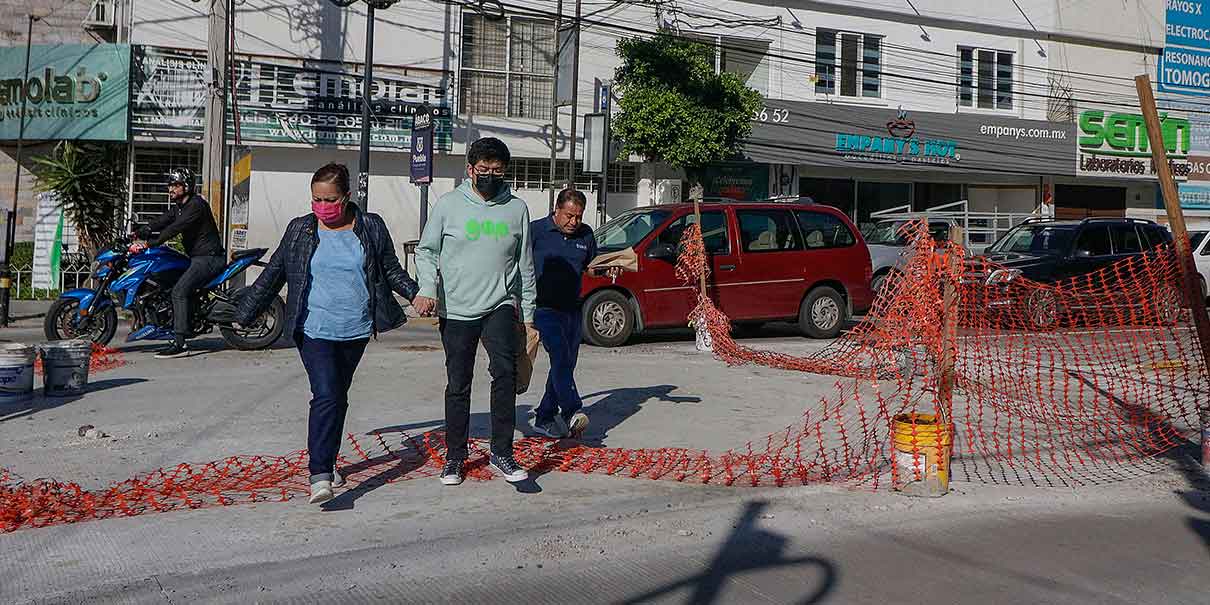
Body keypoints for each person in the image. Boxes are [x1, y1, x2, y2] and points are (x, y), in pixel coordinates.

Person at [235, 163, 419, 505]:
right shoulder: (300, 229)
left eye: (330, 199)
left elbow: (389, 268)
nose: (322, 206)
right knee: (326, 395)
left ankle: (329, 460)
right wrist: (245, 312)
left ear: (346, 197)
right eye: (316, 199)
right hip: (313, 327)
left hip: (356, 329)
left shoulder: (371, 226)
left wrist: (414, 292)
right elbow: (276, 272)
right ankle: (320, 474)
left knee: (338, 397)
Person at [413, 137, 537, 486]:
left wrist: (528, 314)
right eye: (483, 170)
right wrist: (426, 288)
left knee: (505, 374)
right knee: (458, 383)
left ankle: (502, 452)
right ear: (470, 170)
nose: (490, 176)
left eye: (497, 171)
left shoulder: (516, 209)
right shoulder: (449, 206)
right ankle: (455, 457)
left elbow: (525, 263)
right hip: (456, 308)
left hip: (499, 304)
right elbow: (426, 251)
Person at [135, 168, 225, 359]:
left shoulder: (196, 205)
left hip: (209, 258)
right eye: (170, 185)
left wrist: (149, 243)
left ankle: (180, 342)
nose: (171, 189)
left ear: (187, 186)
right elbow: (162, 221)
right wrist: (141, 231)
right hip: (196, 258)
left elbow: (175, 228)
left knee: (179, 291)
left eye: (175, 185)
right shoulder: (178, 207)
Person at [529, 188, 596, 439]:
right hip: (543, 308)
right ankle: (571, 411)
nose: (574, 222)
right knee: (559, 354)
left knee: (566, 363)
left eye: (578, 216)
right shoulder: (536, 231)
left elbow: (589, 266)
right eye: (569, 216)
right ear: (556, 210)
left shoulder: (586, 235)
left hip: (573, 309)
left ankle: (545, 416)